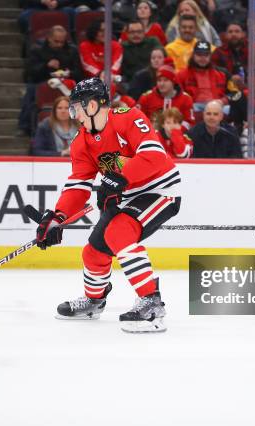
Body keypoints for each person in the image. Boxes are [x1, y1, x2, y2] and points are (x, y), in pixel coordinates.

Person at [35, 77, 181, 333]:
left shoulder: (128, 118)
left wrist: (120, 178)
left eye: (77, 107)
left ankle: (152, 303)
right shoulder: (81, 142)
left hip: (159, 190)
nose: (74, 114)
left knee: (118, 233)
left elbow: (155, 156)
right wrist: (59, 217)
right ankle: (94, 301)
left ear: (92, 106)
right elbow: (78, 184)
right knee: (93, 253)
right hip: (124, 194)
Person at [137, 63, 195, 129]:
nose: (162, 84)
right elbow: (137, 119)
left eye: (165, 80)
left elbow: (190, 123)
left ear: (173, 81)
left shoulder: (186, 99)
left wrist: (175, 129)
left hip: (177, 136)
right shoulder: (146, 98)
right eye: (159, 80)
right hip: (151, 136)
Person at [210, 21, 255, 88]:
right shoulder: (219, 51)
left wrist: (251, 74)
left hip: (252, 85)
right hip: (228, 87)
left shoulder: (253, 48)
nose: (233, 34)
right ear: (225, 35)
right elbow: (212, 68)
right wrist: (229, 77)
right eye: (230, 32)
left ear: (243, 34)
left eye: (237, 31)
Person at [176, 41, 228, 111]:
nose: (203, 58)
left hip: (216, 106)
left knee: (229, 109)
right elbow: (177, 95)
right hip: (193, 106)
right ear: (193, 55)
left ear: (210, 56)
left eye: (206, 55)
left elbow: (233, 94)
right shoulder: (181, 75)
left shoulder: (221, 75)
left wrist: (222, 101)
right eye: (199, 55)